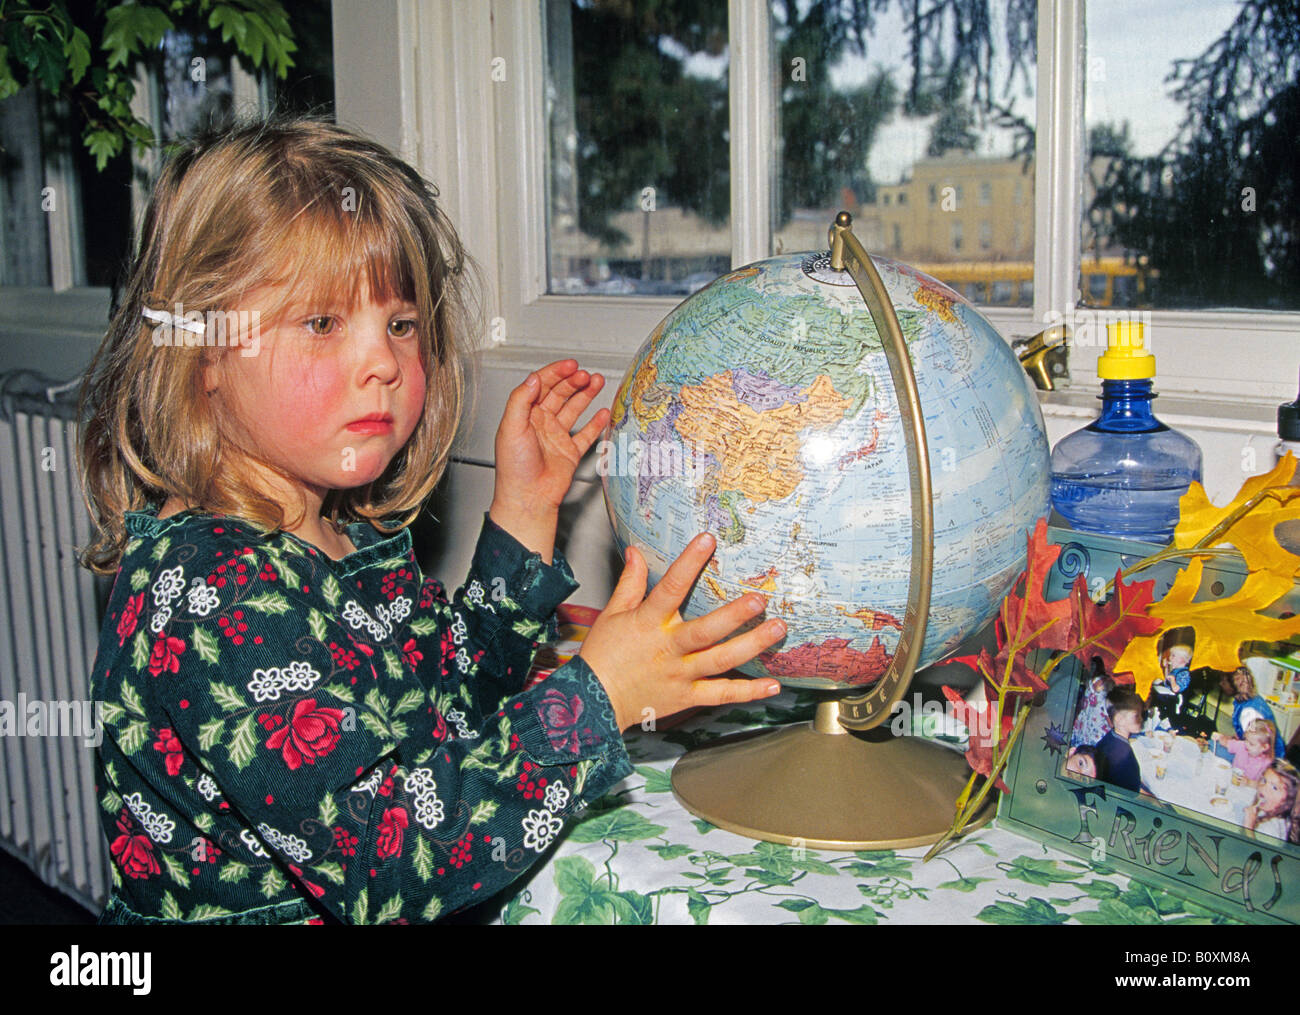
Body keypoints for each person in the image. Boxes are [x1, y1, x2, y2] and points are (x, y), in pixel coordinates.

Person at [78, 116, 788, 925]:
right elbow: (395, 859)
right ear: (204, 352)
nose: (381, 360)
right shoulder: (212, 593)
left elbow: (450, 709)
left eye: (401, 324)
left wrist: (522, 515)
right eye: (322, 323)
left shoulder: (341, 534)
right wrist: (596, 698)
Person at [1093, 687, 1146, 794]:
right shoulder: (1124, 756)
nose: (1141, 719)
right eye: (1136, 715)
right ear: (1119, 720)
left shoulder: (1111, 737)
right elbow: (1133, 792)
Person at [1226, 667, 1286, 757]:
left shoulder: (1249, 713)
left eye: (1223, 681)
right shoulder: (1253, 699)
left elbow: (1254, 748)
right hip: (1261, 749)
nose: (1220, 684)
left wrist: (1226, 742)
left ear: (1232, 686)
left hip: (1265, 760)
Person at [1243, 759, 1299, 842]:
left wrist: (1248, 827)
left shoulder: (1272, 829)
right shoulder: (1268, 807)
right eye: (1264, 781)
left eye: (1274, 788)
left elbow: (1258, 853)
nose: (1264, 788)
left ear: (1287, 802)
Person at [1211, 719, 1277, 785]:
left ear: (1265, 747)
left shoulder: (1266, 764)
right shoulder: (1242, 745)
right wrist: (1220, 737)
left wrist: (1248, 782)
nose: (1246, 744)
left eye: (1251, 744)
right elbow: (1226, 742)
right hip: (1232, 782)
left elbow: (1263, 785)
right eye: (1246, 739)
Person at [1070, 664, 1113, 748]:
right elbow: (1111, 723)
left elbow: (1082, 703)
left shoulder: (1094, 679)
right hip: (1096, 734)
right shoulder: (1109, 687)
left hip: (1082, 727)